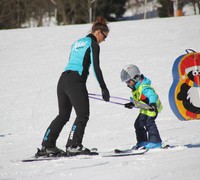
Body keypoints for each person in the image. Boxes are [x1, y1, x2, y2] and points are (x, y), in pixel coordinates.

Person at [37, 16, 110, 157]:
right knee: (82, 114)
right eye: (105, 37)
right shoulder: (93, 44)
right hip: (76, 81)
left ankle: (47, 145)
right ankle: (73, 145)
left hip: (63, 80)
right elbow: (96, 67)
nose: (104, 40)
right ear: (98, 32)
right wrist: (103, 87)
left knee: (63, 115)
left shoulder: (76, 43)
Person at [120, 64, 163, 149]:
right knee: (138, 124)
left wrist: (153, 103)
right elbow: (139, 100)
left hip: (152, 109)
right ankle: (142, 141)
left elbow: (152, 95)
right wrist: (132, 103)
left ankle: (156, 142)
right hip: (145, 110)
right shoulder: (136, 87)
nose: (127, 84)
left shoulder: (144, 87)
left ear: (136, 78)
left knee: (149, 123)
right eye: (126, 82)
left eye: (129, 81)